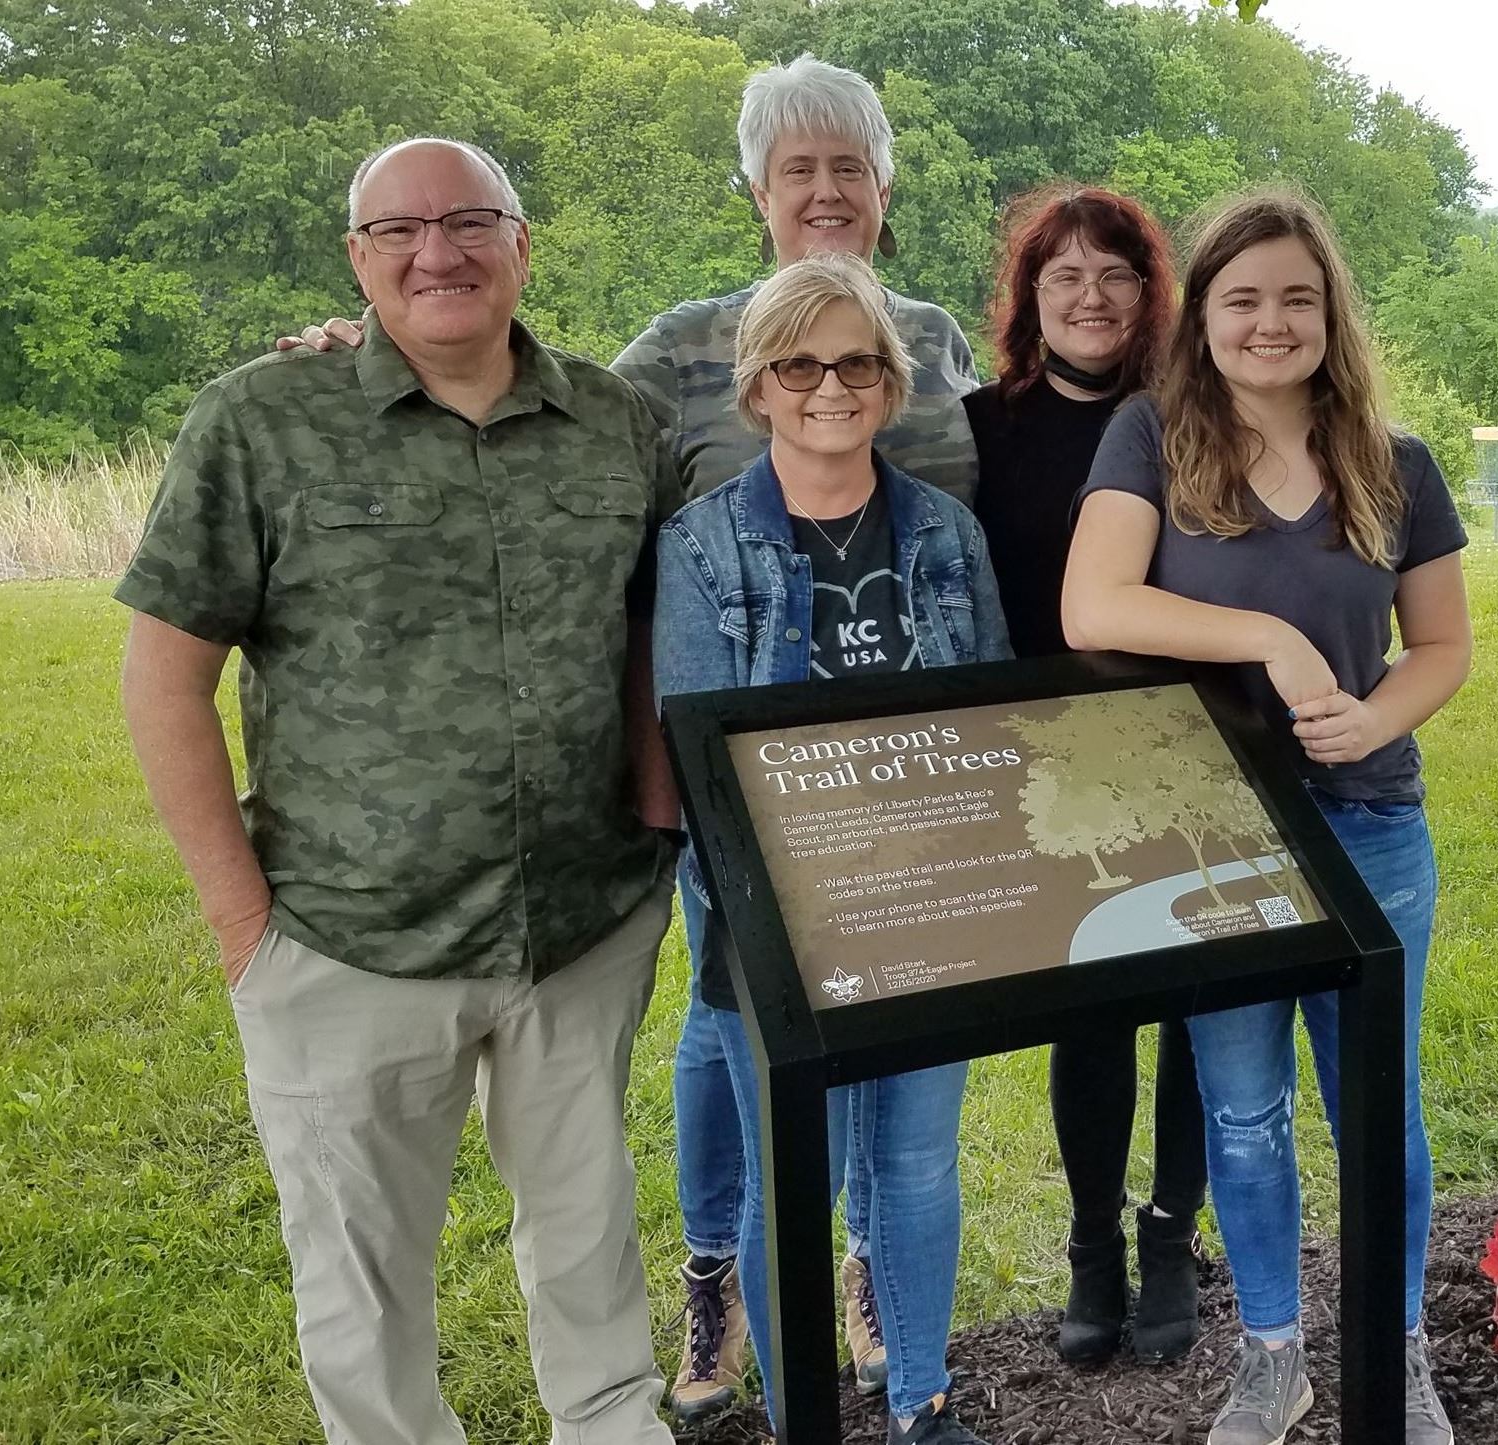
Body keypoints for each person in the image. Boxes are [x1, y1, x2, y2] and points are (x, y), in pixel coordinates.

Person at [278, 54, 977, 1417]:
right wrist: (374, 353)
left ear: (884, 192)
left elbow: (986, 500)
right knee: (731, 1033)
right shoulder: (680, 348)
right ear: (757, 191)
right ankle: (717, 1282)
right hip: (736, 772)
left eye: (849, 167)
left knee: (890, 1057)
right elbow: (539, 429)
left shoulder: (938, 339)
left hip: (906, 777)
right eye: (798, 169)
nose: (824, 190)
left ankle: (856, 1279)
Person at [118, 137, 684, 1445]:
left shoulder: (618, 426)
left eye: (471, 220)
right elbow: (163, 682)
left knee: (590, 1239)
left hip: (581, 925)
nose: (440, 251)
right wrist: (239, 927)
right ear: (357, 259)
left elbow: (662, 620)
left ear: (523, 243)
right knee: (364, 1287)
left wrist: (653, 827)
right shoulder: (262, 421)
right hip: (344, 937)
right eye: (401, 231)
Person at [1061, 191, 1473, 1445]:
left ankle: (1395, 1351)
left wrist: (1381, 714)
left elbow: (1442, 644)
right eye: (1241, 299)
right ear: (1205, 316)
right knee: (1240, 1112)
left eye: (1297, 296)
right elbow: (1094, 605)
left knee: (1376, 1112)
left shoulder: (1394, 462)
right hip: (1213, 839)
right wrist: (1270, 636)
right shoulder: (1148, 437)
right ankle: (1274, 1356)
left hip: (1371, 832)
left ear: (1330, 311)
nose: (1269, 321)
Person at [652, 251, 1010, 1445]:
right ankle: (807, 1411)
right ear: (757, 385)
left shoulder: (948, 536)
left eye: (855, 361)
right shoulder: (702, 548)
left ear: (889, 379)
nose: (829, 385)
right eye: (799, 363)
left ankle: (919, 1400)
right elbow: (703, 765)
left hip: (927, 902)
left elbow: (991, 726)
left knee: (911, 1164)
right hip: (774, 915)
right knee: (787, 1176)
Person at [959, 184, 1207, 1366]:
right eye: (1064, 275)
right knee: (1095, 1010)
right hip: (1055, 758)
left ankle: (1172, 1237)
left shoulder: (1188, 418)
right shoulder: (976, 424)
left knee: (1202, 1009)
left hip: (1195, 741)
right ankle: (1093, 1245)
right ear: (1030, 300)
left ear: (1147, 293)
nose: (1091, 295)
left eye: (1114, 272)